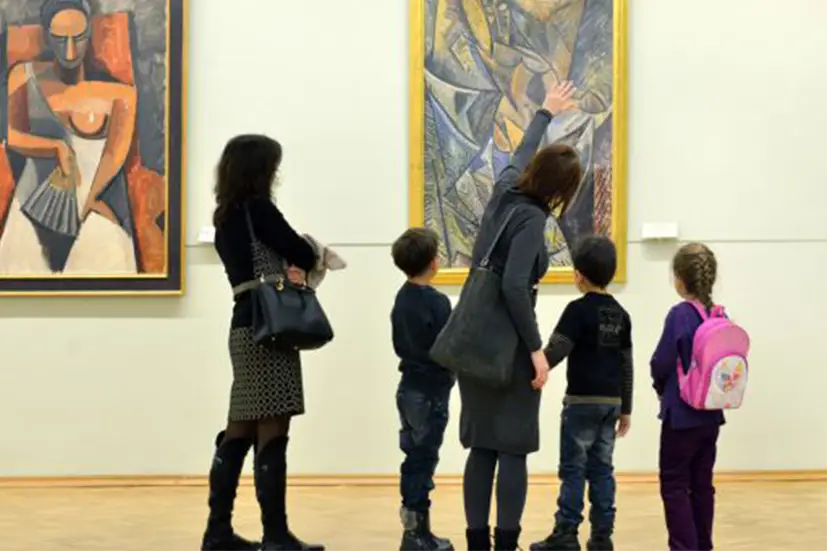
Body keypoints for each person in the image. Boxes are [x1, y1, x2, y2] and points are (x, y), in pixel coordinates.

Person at [460, 81, 582, 551]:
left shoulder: (505, 189)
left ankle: (478, 544)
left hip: (474, 342)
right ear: (562, 190)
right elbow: (514, 286)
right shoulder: (532, 218)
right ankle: (505, 544)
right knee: (511, 448)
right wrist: (537, 352)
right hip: (509, 349)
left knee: (482, 448)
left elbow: (523, 150)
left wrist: (546, 112)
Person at [201, 135, 323, 551]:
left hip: (243, 326)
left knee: (240, 427)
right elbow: (301, 252)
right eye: (272, 166)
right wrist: (305, 253)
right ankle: (275, 533)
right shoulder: (259, 210)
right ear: (260, 169)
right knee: (273, 427)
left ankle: (217, 531)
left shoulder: (224, 216)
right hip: (269, 329)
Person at [0, 0, 142, 274]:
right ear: (45, 36)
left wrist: (84, 206)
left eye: (79, 38)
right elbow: (10, 136)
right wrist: (55, 147)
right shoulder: (24, 75)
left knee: (105, 262)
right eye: (59, 39)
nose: (70, 50)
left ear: (90, 34)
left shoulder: (121, 96)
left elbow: (114, 157)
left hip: (93, 199)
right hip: (33, 201)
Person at [529, 236, 633, 551]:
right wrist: (625, 408)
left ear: (579, 276)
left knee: (573, 469)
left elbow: (557, 349)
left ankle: (566, 534)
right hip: (610, 405)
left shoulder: (576, 311)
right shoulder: (621, 315)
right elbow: (626, 364)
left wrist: (537, 368)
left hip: (580, 405)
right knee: (602, 469)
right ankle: (602, 536)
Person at [650, 243, 724, 551]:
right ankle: (703, 545)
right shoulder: (718, 315)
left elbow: (661, 362)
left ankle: (683, 547)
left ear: (679, 278)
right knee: (702, 485)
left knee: (675, 484)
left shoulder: (679, 315)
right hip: (711, 415)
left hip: (680, 416)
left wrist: (659, 388)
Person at [390, 227, 456, 551]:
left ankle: (415, 530)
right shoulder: (437, 301)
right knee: (424, 460)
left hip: (408, 389)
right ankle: (417, 535)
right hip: (431, 392)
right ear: (434, 262)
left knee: (413, 457)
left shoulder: (401, 298)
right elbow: (448, 348)